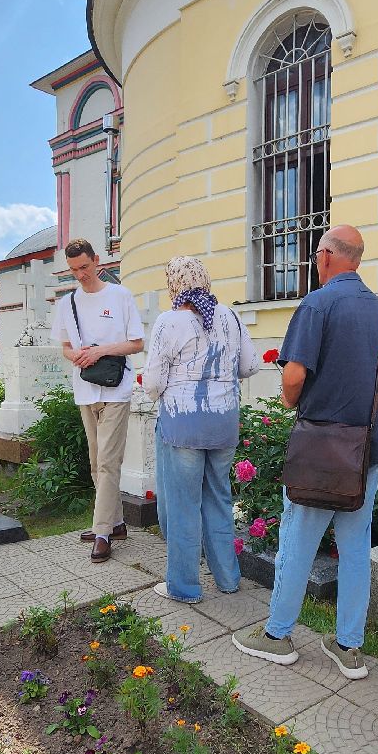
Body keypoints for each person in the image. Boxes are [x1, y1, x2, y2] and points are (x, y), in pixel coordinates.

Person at [232, 225, 378, 681]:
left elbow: (293, 376)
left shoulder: (317, 304)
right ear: (356, 260)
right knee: (356, 550)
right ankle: (349, 647)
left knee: (296, 544)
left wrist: (290, 401)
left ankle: (277, 636)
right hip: (365, 453)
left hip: (319, 454)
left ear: (325, 257)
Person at [141, 255, 257, 603]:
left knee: (183, 507)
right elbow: (250, 366)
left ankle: (184, 587)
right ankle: (228, 579)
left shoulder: (169, 321)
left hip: (183, 427)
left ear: (173, 285)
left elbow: (152, 383)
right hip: (223, 424)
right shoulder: (230, 316)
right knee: (219, 499)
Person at [50, 238, 145, 564]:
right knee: (95, 462)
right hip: (85, 388)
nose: (80, 274)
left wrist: (100, 351)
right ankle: (116, 523)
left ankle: (102, 532)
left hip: (116, 389)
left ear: (97, 261)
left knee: (107, 461)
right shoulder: (67, 304)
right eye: (74, 270)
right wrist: (76, 355)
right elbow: (65, 347)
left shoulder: (120, 296)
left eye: (85, 267)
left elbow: (136, 343)